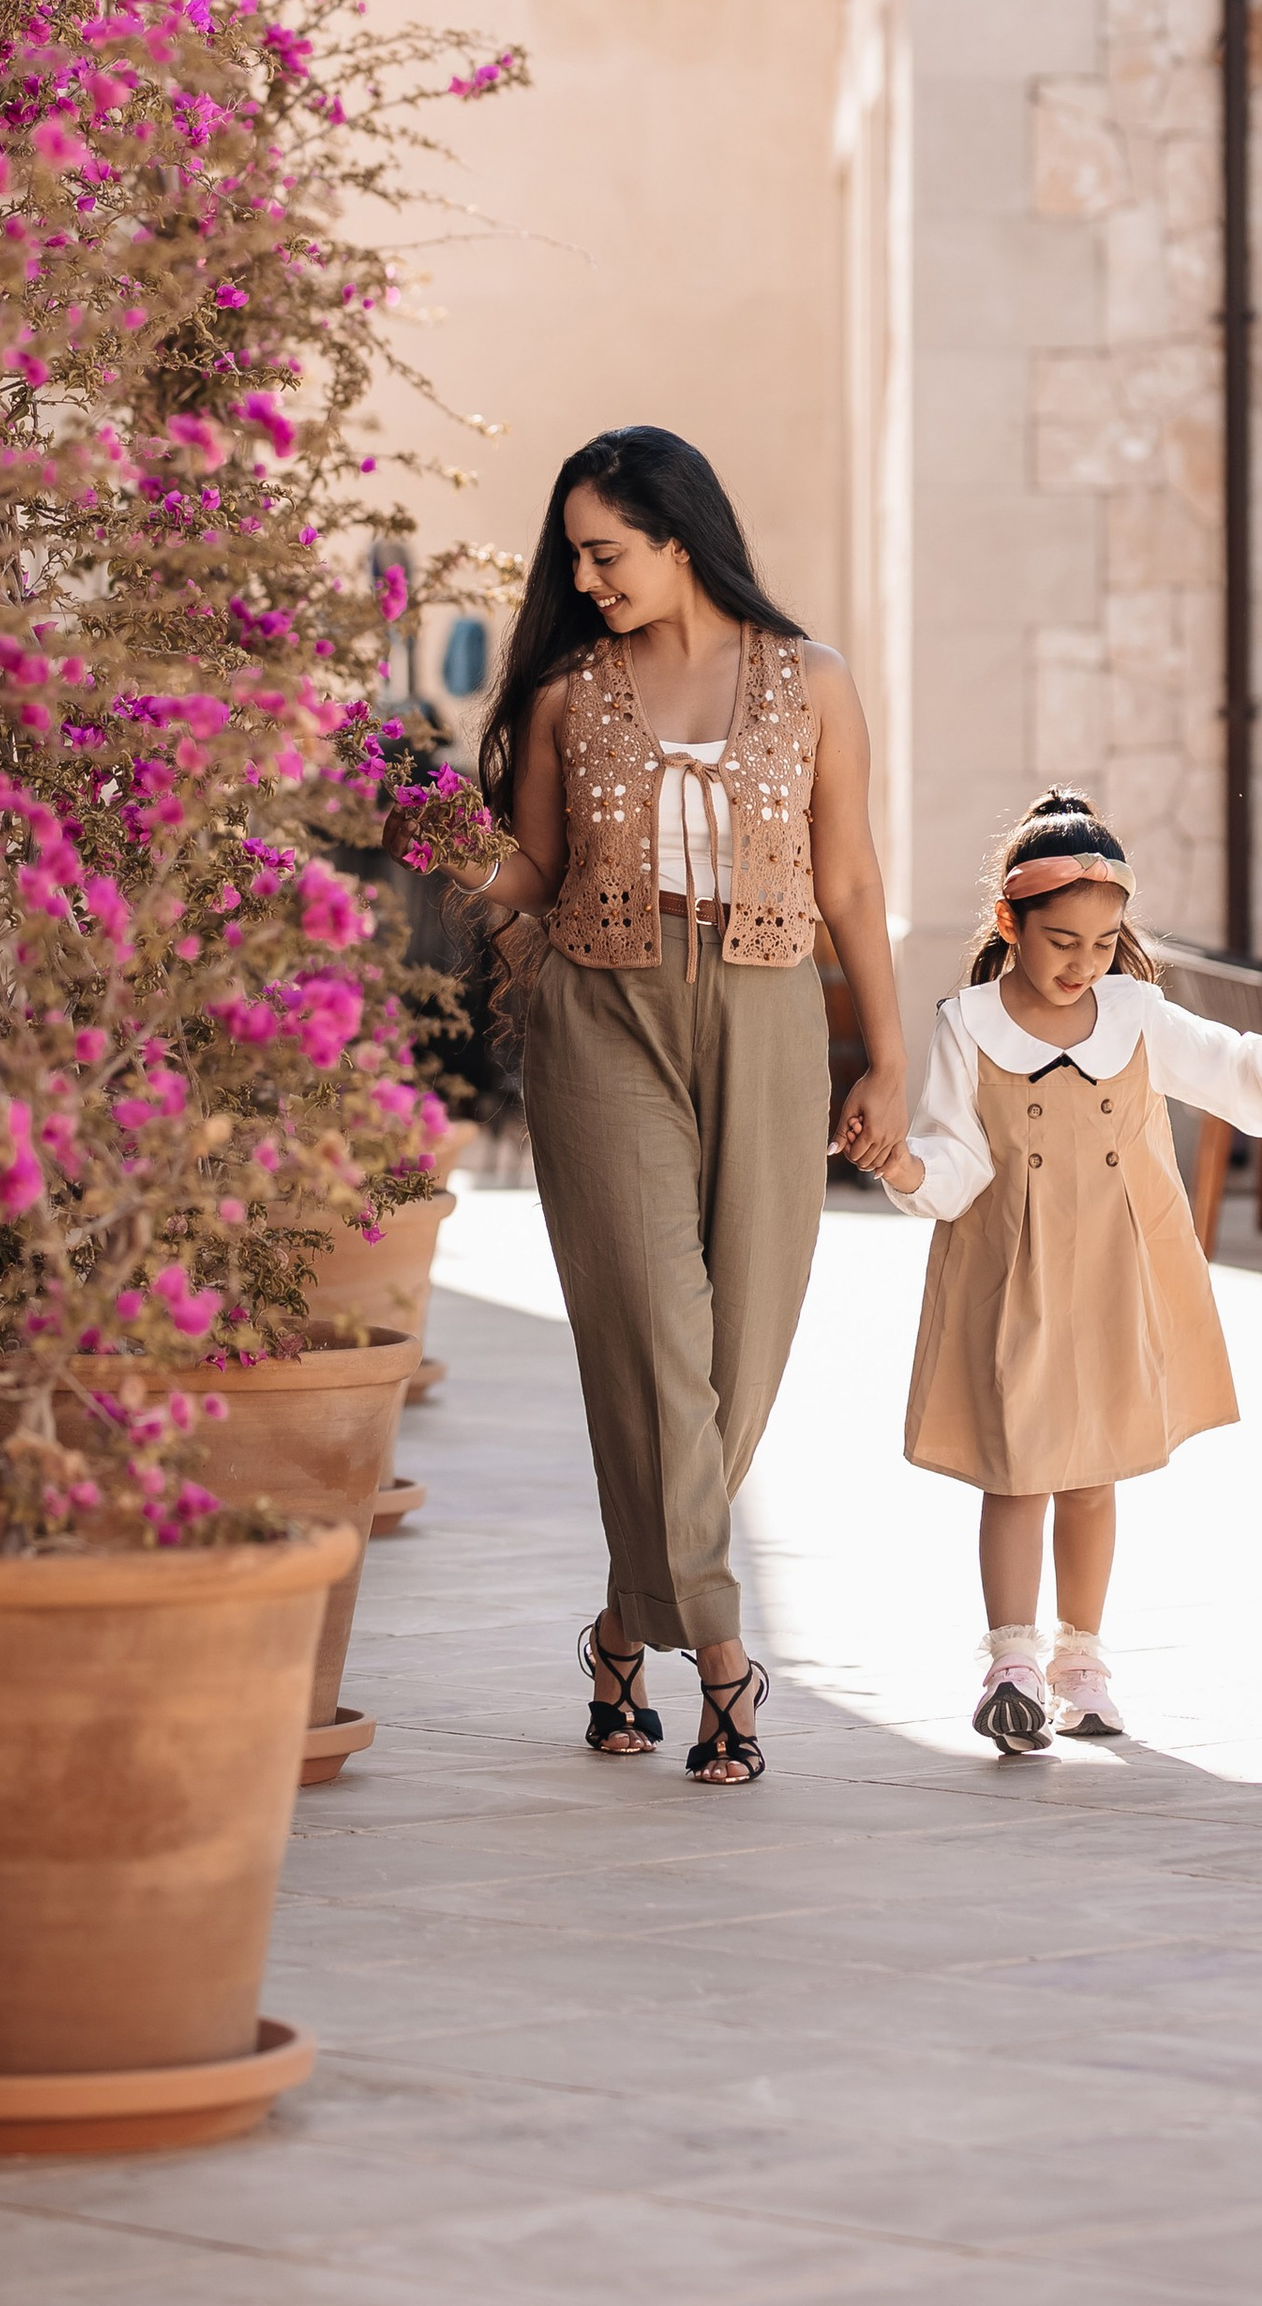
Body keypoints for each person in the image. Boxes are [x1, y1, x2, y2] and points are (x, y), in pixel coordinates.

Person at [406, 426, 910, 1786]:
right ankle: (726, 1657)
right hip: (603, 1011)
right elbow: (530, 871)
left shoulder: (814, 684)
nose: (586, 574)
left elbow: (851, 882)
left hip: (769, 1009)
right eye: (577, 554)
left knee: (738, 1348)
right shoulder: (572, 694)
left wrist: (890, 1058)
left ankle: (626, 1631)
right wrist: (445, 852)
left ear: (679, 535)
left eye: (606, 550)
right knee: (650, 1336)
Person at [848, 792, 1262, 1753]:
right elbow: (954, 1160)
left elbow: (1244, 1077)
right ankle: (1009, 1660)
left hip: (1117, 1274)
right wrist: (900, 1165)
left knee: (1091, 1475)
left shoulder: (1137, 1015)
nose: (1082, 963)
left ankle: (1081, 1661)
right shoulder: (965, 1025)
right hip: (1012, 1276)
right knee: (1014, 1472)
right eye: (1060, 941)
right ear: (1007, 924)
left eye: (1100, 942)